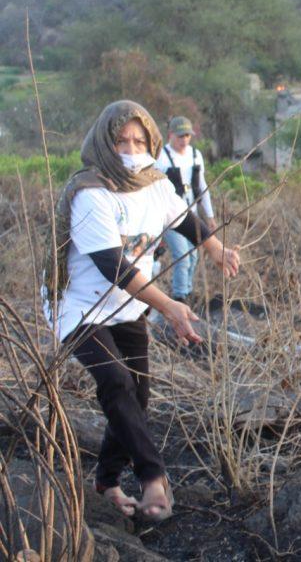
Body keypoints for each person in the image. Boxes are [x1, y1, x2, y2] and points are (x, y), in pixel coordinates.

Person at [42, 101, 241, 521]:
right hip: (80, 307)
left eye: (139, 140)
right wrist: (169, 307)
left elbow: (183, 217)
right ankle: (154, 476)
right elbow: (114, 266)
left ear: (151, 141)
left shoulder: (154, 183)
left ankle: (107, 481)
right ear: (103, 142)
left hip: (129, 304)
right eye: (120, 140)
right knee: (115, 381)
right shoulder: (91, 192)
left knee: (139, 395)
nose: (130, 149)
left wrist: (216, 247)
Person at [153, 116, 216, 303]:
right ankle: (179, 297)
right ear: (170, 135)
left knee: (193, 256)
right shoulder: (161, 158)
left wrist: (210, 215)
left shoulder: (196, 155)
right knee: (182, 256)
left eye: (187, 136)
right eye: (180, 136)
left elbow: (202, 186)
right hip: (170, 218)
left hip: (192, 216)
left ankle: (187, 292)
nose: (184, 140)